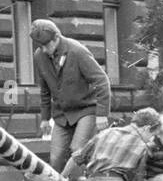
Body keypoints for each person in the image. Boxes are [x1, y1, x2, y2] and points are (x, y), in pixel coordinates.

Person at [32, 18, 111, 173]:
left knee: (78, 151)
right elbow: (45, 90)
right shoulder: (40, 56)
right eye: (40, 46)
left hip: (85, 110)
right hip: (62, 114)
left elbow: (102, 81)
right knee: (56, 158)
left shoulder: (77, 51)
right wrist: (45, 118)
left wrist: (102, 114)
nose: (44, 50)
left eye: (47, 45)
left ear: (56, 38)